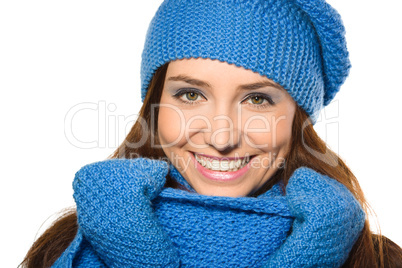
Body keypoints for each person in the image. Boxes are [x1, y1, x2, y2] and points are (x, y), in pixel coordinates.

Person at [21, 0, 402, 267]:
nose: (222, 138)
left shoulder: (375, 260)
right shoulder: (63, 246)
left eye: (257, 99)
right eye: (190, 95)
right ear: (155, 106)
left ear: (297, 119)